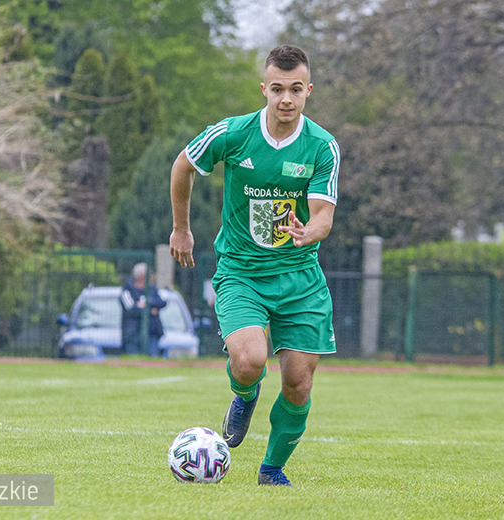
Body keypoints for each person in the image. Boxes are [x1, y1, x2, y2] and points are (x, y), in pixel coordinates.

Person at [169, 45, 340, 486]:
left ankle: (272, 470)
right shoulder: (233, 133)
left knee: (298, 383)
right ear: (264, 88)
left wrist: (310, 231)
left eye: (296, 89)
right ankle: (244, 394)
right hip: (241, 273)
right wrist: (181, 229)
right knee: (249, 361)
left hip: (300, 279)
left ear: (308, 91)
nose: (286, 98)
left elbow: (323, 214)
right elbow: (183, 165)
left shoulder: (322, 146)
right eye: (278, 89)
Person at [120, 263, 167, 356]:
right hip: (132, 335)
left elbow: (161, 302)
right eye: (150, 273)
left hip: (151, 333)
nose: (152, 276)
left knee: (152, 359)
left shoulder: (152, 289)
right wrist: (150, 310)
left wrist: (146, 304)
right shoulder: (128, 290)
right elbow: (131, 309)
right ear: (142, 276)